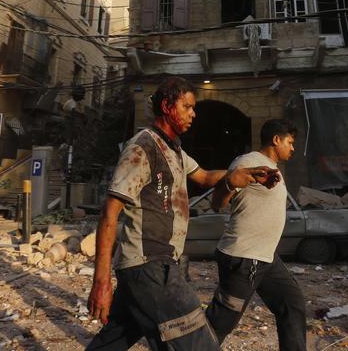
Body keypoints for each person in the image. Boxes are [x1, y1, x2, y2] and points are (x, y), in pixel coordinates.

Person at [86, 77, 278, 351]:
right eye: (187, 107)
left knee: (114, 340)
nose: (193, 114)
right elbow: (109, 215)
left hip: (150, 266)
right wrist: (101, 281)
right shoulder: (142, 148)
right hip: (149, 265)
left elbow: (205, 176)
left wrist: (247, 174)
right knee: (198, 343)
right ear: (167, 106)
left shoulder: (173, 149)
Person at [205, 119, 307, 351]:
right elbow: (217, 203)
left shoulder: (271, 167)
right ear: (276, 140)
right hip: (244, 258)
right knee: (221, 322)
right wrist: (230, 183)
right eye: (290, 142)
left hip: (266, 257)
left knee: (292, 304)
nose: (293, 148)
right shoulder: (248, 162)